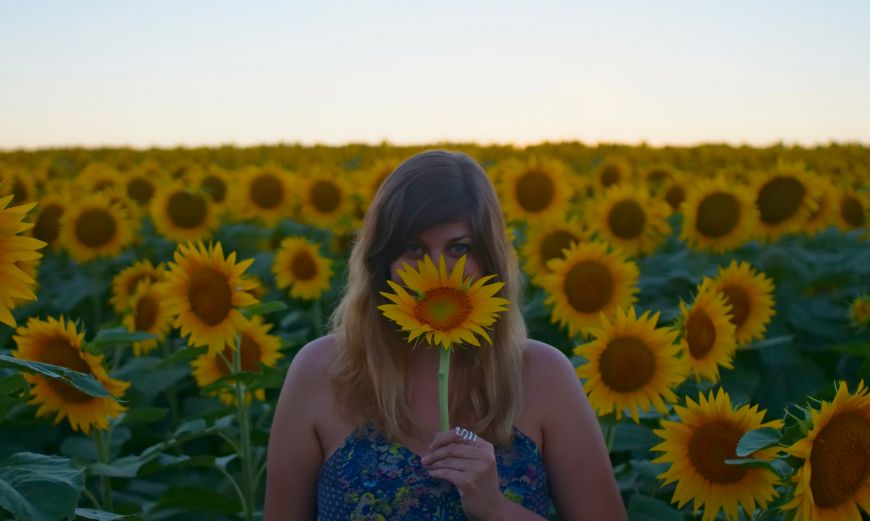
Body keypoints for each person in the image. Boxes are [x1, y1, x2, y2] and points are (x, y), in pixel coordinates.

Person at [264, 150, 627, 520]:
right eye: (413, 248)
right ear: (382, 263)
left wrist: (495, 509)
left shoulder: (544, 376)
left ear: (489, 259)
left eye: (458, 248)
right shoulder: (321, 372)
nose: (437, 271)